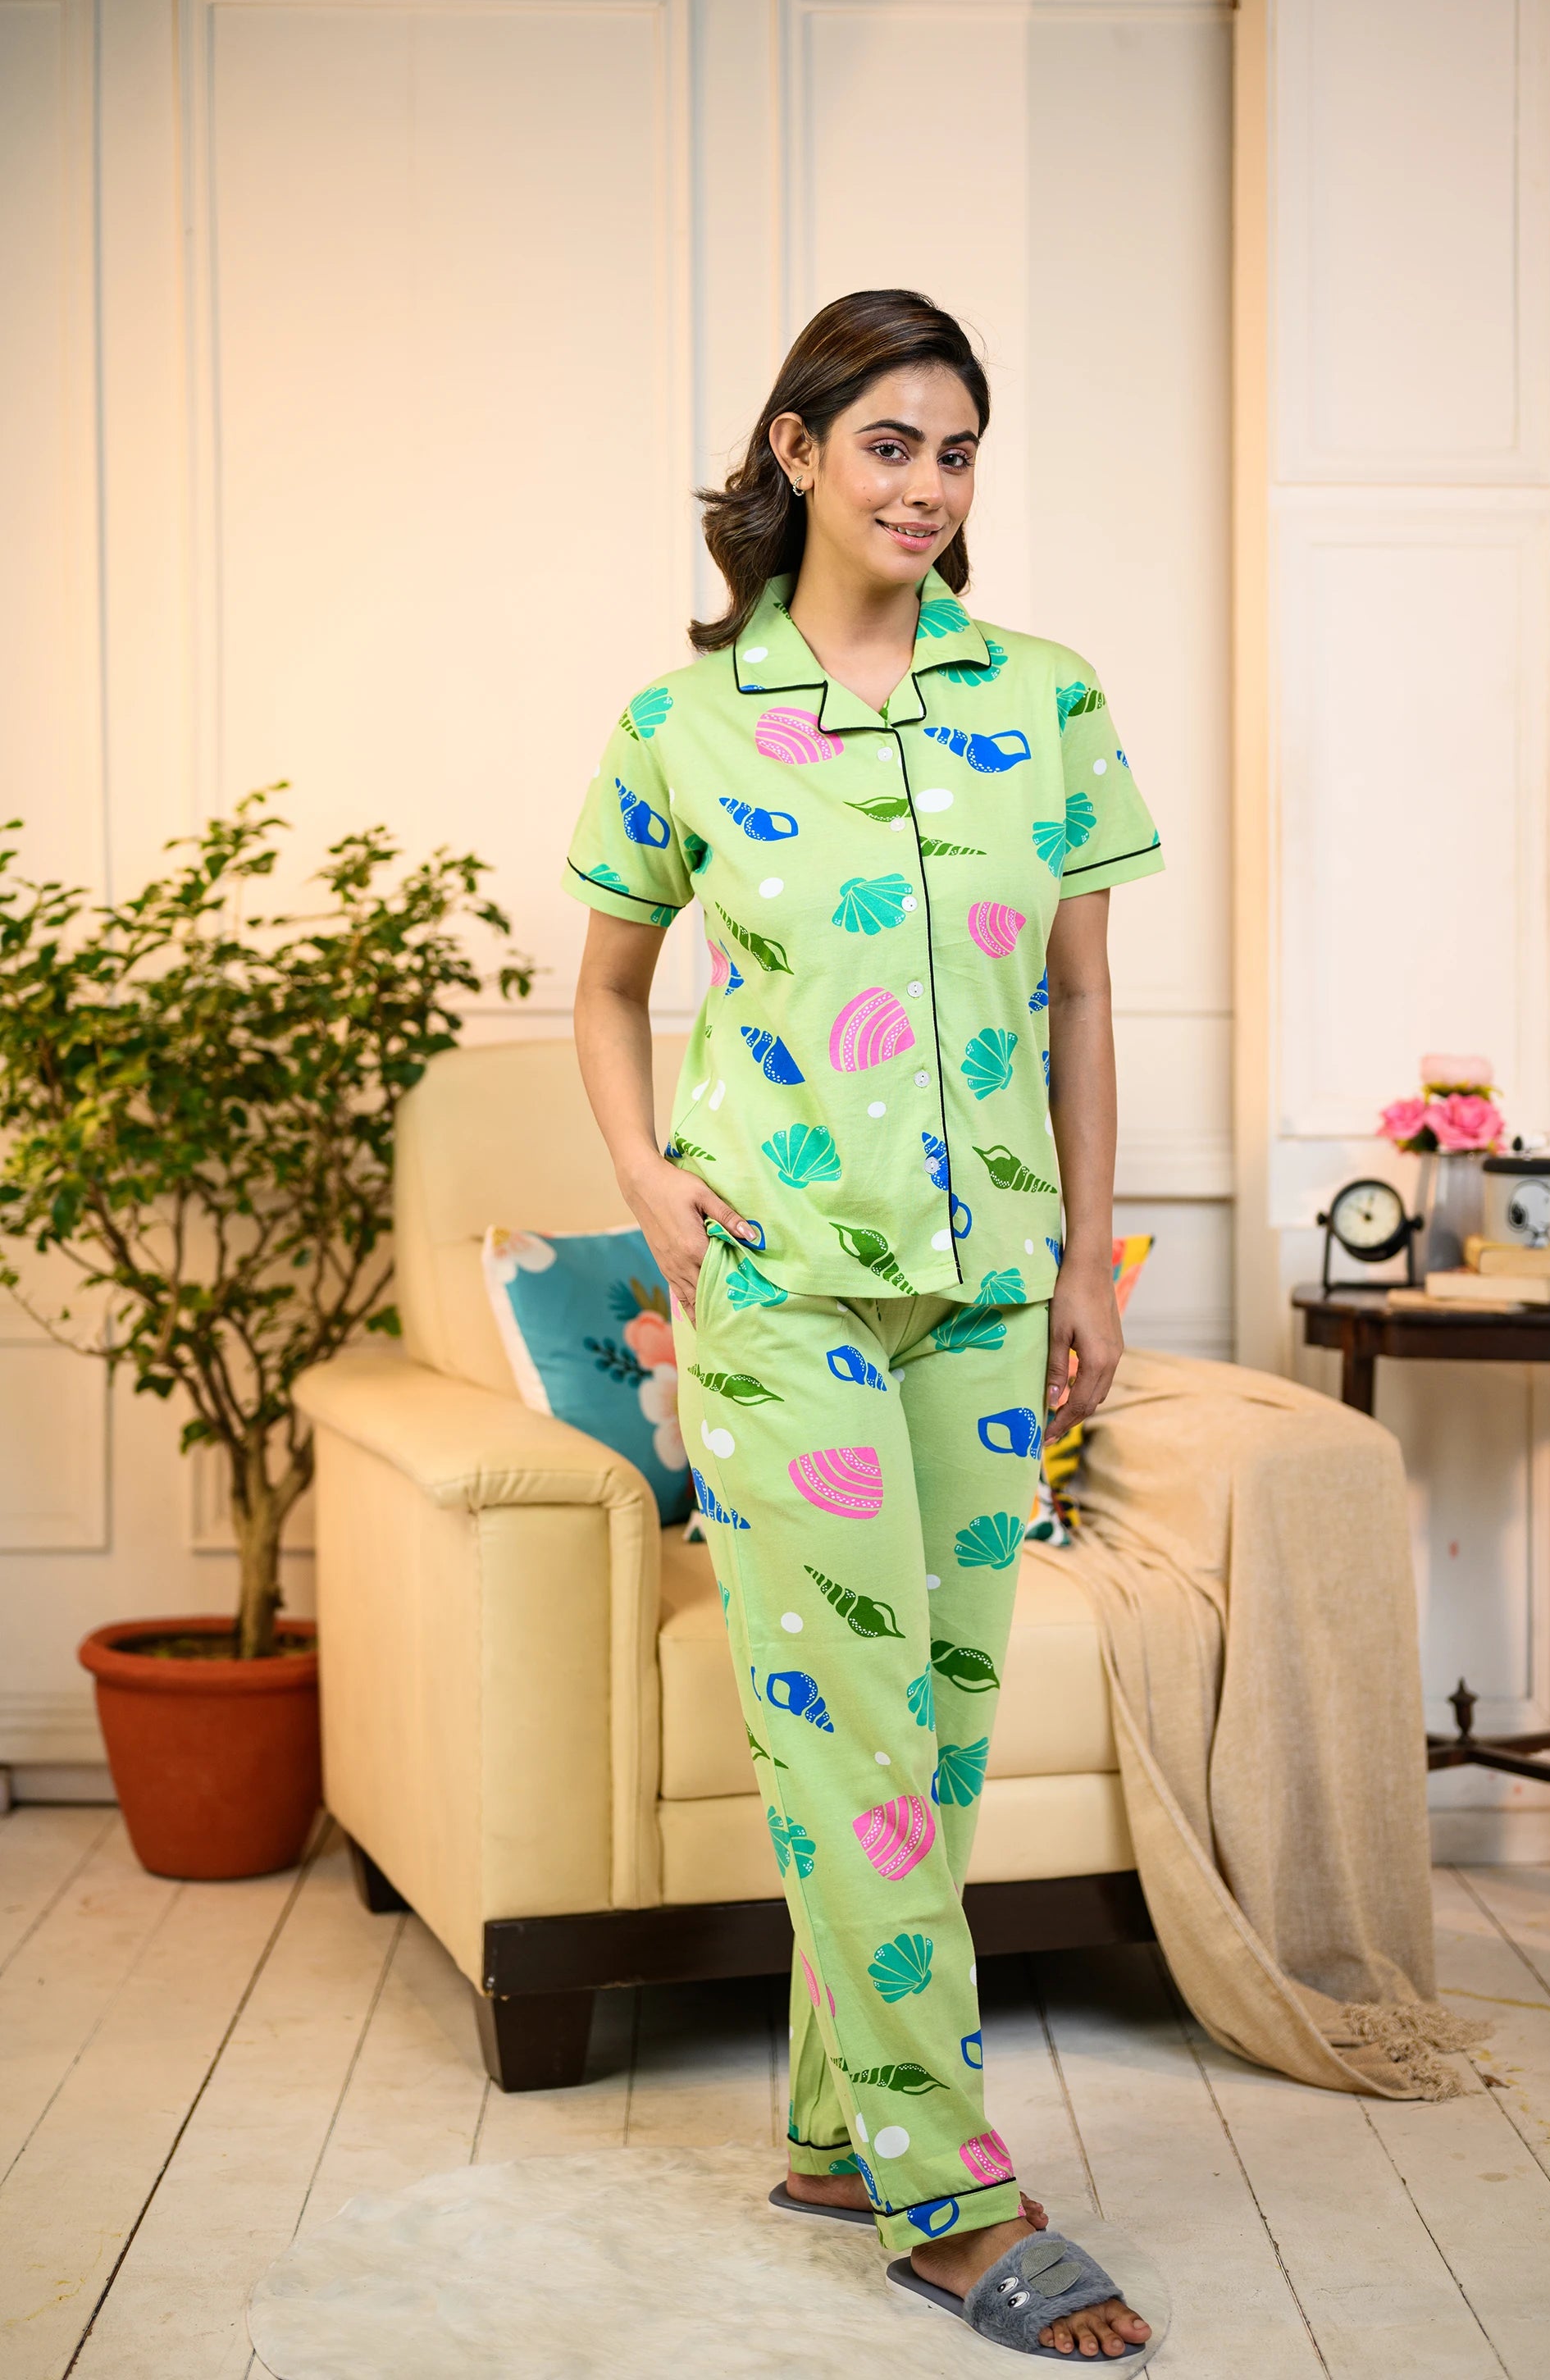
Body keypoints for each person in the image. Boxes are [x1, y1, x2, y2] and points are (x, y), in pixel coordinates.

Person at [565, 289, 1163, 2359]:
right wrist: (655, 1191)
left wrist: (1092, 1260)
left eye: (961, 450)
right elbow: (605, 987)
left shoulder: (1052, 701)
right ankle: (946, 2192)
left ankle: (835, 2124)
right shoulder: (684, 722)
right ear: (799, 452)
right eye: (891, 442)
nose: (928, 484)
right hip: (776, 1295)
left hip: (992, 1294)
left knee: (941, 1736)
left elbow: (1085, 1000)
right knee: (850, 1755)